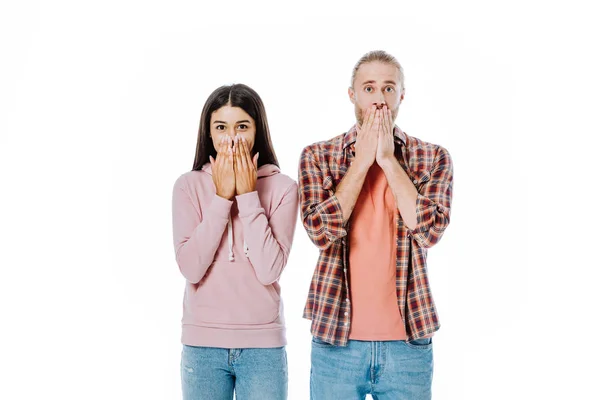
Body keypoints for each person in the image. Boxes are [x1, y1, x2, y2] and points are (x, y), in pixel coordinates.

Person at [298, 50, 454, 399]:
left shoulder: (433, 157)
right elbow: (319, 231)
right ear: (352, 94)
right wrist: (362, 160)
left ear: (402, 95)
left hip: (408, 344)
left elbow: (429, 231)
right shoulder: (317, 155)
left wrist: (386, 159)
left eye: (388, 88)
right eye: (369, 88)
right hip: (336, 342)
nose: (379, 99)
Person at [172, 84, 298, 400]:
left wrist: (247, 195)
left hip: (263, 346)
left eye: (242, 126)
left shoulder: (283, 188)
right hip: (203, 346)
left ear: (257, 131)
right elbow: (191, 268)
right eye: (221, 127)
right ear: (209, 134)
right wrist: (221, 197)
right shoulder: (187, 186)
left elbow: (269, 270)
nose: (231, 137)